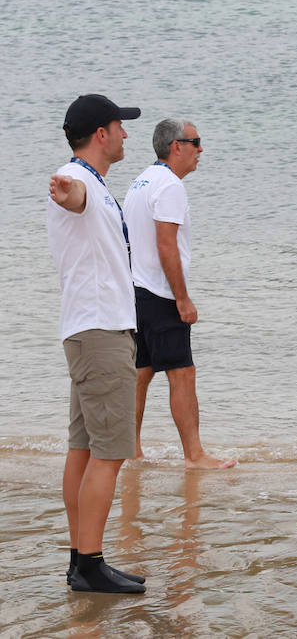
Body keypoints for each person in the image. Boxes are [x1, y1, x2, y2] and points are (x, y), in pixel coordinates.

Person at [47, 94, 148, 594]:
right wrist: (67, 194)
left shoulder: (95, 184)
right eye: (119, 125)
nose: (126, 134)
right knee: (108, 452)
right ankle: (89, 562)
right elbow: (72, 197)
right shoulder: (81, 181)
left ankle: (80, 558)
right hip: (99, 331)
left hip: (91, 328)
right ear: (100, 134)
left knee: (84, 449)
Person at [126, 120, 236, 471]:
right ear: (176, 146)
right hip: (159, 293)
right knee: (182, 373)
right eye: (195, 142)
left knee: (141, 372)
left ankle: (131, 450)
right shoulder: (170, 186)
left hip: (134, 290)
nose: (200, 149)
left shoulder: (141, 180)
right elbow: (166, 245)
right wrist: (182, 299)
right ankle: (195, 456)